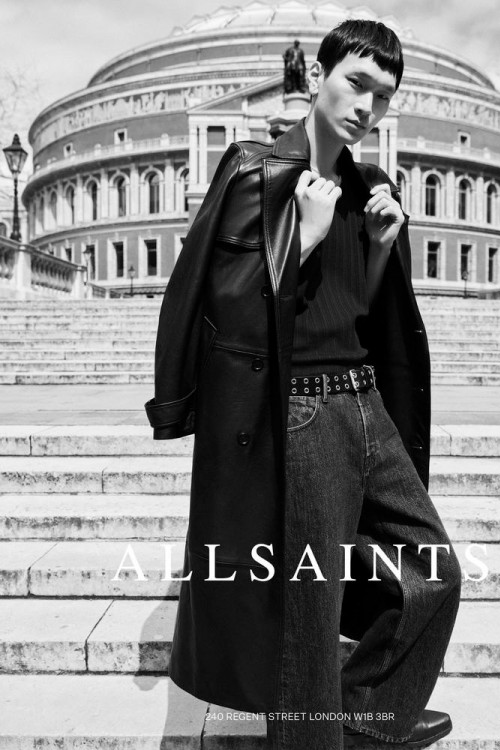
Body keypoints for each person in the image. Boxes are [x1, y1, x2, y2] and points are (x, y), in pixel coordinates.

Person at [145, 17, 462, 750]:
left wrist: (380, 249)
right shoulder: (256, 170)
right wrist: (304, 237)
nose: (367, 107)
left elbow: (357, 309)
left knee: (434, 570)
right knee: (309, 618)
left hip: (366, 404)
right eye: (357, 83)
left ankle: (366, 712)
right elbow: (222, 307)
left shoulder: (372, 187)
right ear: (317, 78)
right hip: (302, 411)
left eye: (384, 96)